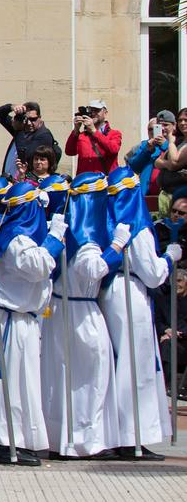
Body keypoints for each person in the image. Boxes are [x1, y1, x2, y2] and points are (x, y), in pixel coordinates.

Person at [0, 181, 66, 465]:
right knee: (11, 384)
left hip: (19, 319)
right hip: (12, 319)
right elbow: (38, 267)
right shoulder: (16, 239)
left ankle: (19, 439)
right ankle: (8, 441)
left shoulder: (13, 235)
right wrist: (55, 238)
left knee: (22, 383)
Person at [41, 171, 122, 459]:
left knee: (61, 376)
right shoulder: (87, 238)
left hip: (61, 309)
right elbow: (92, 269)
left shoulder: (65, 231)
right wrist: (116, 248)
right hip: (81, 311)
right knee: (90, 377)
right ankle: (85, 441)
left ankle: (61, 440)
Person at [102, 166, 177, 459]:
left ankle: (125, 434)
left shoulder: (108, 221)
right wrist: (170, 258)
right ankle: (131, 437)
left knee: (124, 363)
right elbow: (153, 274)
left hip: (113, 291)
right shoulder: (138, 227)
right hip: (131, 292)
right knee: (137, 365)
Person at [0, 101, 61, 178]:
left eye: (33, 119)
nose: (29, 123)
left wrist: (19, 130)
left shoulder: (44, 135)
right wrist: (12, 107)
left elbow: (24, 157)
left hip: (29, 183)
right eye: (26, 119)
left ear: (39, 118)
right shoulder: (22, 127)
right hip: (10, 181)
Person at [64, 99, 121, 175]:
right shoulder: (82, 135)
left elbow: (113, 149)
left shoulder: (114, 133)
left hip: (105, 182)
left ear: (105, 113)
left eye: (97, 110)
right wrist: (76, 129)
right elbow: (69, 151)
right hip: (85, 182)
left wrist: (94, 131)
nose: (93, 113)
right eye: (91, 110)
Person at [155, 269, 187, 399]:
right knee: (167, 345)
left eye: (179, 281)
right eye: (173, 281)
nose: (176, 284)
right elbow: (157, 321)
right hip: (170, 341)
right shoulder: (165, 300)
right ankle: (167, 385)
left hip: (185, 341)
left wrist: (180, 333)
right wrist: (165, 331)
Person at [126, 112, 174, 196]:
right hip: (146, 194)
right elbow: (133, 167)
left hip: (167, 194)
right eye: (150, 129)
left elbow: (175, 161)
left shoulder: (174, 143)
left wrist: (165, 144)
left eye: (155, 128)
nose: (152, 131)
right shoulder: (144, 145)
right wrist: (147, 150)